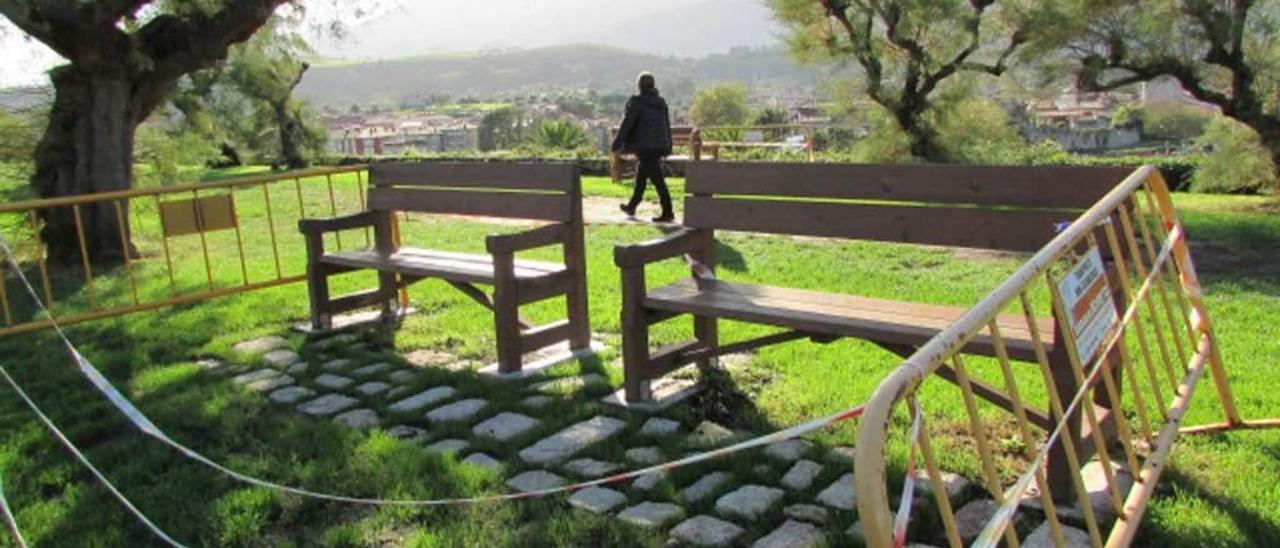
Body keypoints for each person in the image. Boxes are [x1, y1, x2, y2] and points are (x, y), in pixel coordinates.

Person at [612, 72, 674, 223]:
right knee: (642, 176)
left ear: (639, 85)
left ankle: (668, 211)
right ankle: (632, 206)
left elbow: (628, 123)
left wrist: (618, 142)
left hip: (645, 146)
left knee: (657, 179)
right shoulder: (661, 102)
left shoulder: (637, 102)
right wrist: (668, 145)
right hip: (659, 144)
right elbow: (666, 125)